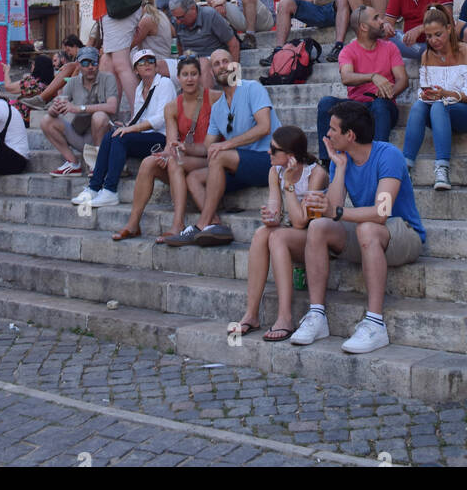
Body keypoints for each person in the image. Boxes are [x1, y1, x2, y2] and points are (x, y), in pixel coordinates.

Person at [289, 102, 425, 352]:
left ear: (350, 135)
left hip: (403, 234)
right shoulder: (342, 159)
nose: (327, 135)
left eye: (332, 130)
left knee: (367, 228)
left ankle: (375, 324)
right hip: (369, 236)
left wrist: (337, 211)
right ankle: (317, 316)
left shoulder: (389, 155)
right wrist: (339, 168)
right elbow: (334, 210)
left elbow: (381, 213)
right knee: (319, 226)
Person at [163, 48, 281, 248]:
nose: (222, 67)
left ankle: (201, 224)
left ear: (235, 65)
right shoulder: (218, 107)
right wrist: (184, 147)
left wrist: (227, 144)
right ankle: (216, 226)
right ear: (211, 72)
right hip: (241, 165)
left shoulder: (252, 88)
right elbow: (207, 148)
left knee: (220, 155)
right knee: (194, 177)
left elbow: (264, 127)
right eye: (216, 64)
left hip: (267, 160)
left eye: (225, 61)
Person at [235, 125, 328, 341]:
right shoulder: (274, 171)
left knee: (277, 236)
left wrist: (289, 185)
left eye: (274, 149)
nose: (269, 152)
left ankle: (285, 317)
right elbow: (276, 211)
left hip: (317, 239)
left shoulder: (316, 174)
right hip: (294, 236)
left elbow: (299, 222)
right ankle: (251, 314)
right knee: (261, 233)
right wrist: (270, 216)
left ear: (291, 155)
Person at [111, 55, 217, 242]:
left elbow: (211, 145)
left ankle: (178, 224)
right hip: (184, 157)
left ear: (200, 76)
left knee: (175, 160)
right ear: (179, 77)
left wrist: (179, 151)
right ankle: (133, 223)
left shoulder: (215, 98)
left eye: (194, 74)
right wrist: (166, 153)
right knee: (149, 162)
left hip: (207, 158)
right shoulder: (172, 107)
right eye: (185, 74)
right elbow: (170, 143)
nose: (190, 78)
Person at [72, 50, 175, 209]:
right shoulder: (140, 88)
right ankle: (94, 187)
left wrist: (132, 129)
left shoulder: (165, 83)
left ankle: (110, 190)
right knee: (110, 136)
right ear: (135, 70)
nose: (147, 64)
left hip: (161, 138)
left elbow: (161, 118)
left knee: (121, 138)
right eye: (142, 62)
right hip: (145, 136)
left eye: (150, 61)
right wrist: (127, 126)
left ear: (156, 65)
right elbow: (140, 117)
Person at [402, 5, 467, 191]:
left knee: (439, 106)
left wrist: (445, 95)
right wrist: (428, 94)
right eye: (429, 36)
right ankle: (405, 167)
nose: (434, 40)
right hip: (440, 110)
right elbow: (423, 91)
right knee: (419, 106)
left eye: (438, 34)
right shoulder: (427, 55)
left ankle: (442, 168)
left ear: (449, 29)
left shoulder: (466, 51)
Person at [317, 6, 407, 154]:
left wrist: (389, 93)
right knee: (326, 103)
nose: (382, 21)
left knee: (380, 105)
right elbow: (346, 77)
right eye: (376, 18)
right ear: (364, 27)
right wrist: (372, 76)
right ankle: (327, 161)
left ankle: (379, 158)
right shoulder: (347, 51)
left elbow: (403, 80)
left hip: (383, 106)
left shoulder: (390, 47)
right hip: (357, 108)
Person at [40, 48, 120, 176]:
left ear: (98, 64)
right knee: (46, 121)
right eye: (85, 63)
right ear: (78, 65)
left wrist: (79, 108)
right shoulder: (73, 82)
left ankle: (97, 163)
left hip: (104, 137)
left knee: (99, 116)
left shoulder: (108, 78)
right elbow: (57, 105)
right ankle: (73, 163)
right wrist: (54, 109)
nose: (90, 67)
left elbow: (112, 107)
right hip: (80, 134)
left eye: (93, 63)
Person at [167, 0, 240, 88]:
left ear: (193, 8)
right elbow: (180, 45)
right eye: (175, 17)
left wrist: (234, 75)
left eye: (181, 17)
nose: (177, 21)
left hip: (211, 61)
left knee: (202, 62)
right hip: (188, 59)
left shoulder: (210, 15)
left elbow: (233, 43)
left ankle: (206, 101)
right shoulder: (177, 21)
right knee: (157, 65)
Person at [132, 0, 176, 75]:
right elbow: (174, 35)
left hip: (154, 66)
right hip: (167, 63)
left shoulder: (147, 19)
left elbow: (130, 44)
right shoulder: (162, 15)